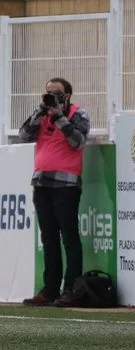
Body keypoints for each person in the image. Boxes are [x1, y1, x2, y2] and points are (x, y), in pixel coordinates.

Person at [19, 77, 90, 307]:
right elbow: (24, 135)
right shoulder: (41, 115)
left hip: (66, 184)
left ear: (67, 95)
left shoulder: (79, 114)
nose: (51, 96)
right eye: (48, 92)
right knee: (48, 238)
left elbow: (78, 141)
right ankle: (50, 289)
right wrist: (41, 112)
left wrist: (59, 116)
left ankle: (71, 289)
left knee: (69, 237)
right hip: (42, 182)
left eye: (56, 93)